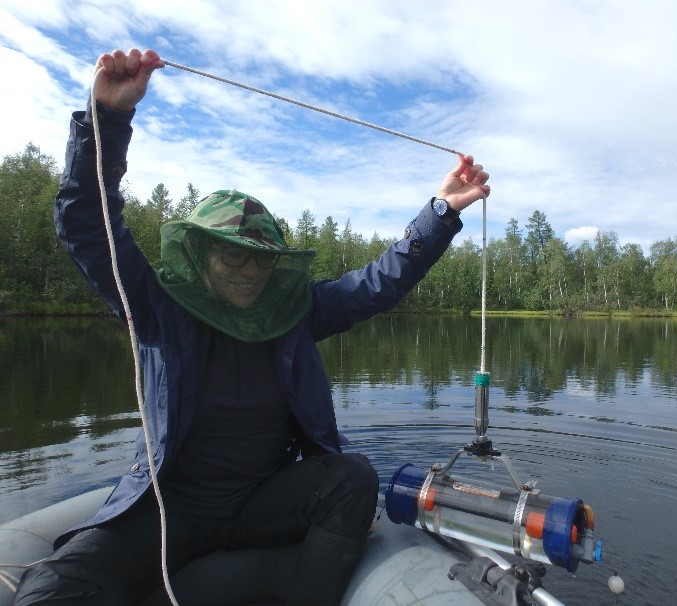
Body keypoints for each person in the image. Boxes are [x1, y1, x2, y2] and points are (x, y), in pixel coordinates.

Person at [13, 48, 490, 606]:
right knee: (54, 587)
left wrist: (441, 211)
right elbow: (86, 223)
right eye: (232, 257)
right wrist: (107, 119)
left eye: (262, 259)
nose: (249, 272)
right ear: (202, 255)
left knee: (353, 478)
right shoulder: (157, 305)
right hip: (170, 510)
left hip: (264, 502)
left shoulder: (297, 310)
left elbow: (379, 283)